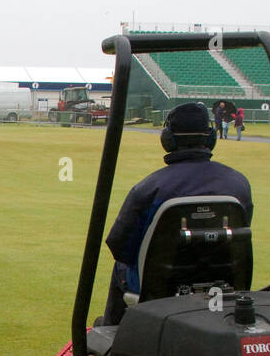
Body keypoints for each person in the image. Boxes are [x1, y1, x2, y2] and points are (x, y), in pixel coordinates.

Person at [97, 102, 253, 326]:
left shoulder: (149, 188)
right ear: (210, 137)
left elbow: (120, 247)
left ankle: (114, 336)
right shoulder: (240, 185)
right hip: (223, 284)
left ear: (168, 139)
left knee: (120, 269)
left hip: (161, 286)